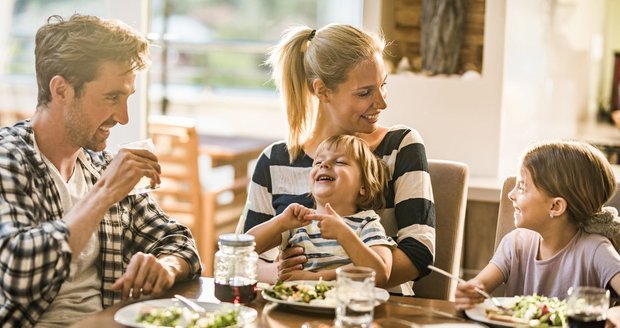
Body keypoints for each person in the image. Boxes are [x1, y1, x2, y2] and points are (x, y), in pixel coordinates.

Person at [0, 14, 201, 327]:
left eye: (127, 98)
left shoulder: (102, 165)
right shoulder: (8, 160)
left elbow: (178, 241)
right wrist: (105, 192)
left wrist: (166, 267)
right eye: (111, 97)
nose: (122, 117)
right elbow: (17, 275)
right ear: (61, 90)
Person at [236, 24, 435, 294]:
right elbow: (240, 256)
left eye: (382, 86)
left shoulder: (400, 146)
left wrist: (323, 278)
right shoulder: (273, 161)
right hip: (295, 308)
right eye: (365, 93)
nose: (382, 102)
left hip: (375, 310)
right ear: (323, 91)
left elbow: (419, 253)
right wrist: (281, 273)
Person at [455, 141, 620, 309]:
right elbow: (479, 286)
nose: (511, 195)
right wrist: (469, 293)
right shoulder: (515, 244)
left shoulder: (596, 250)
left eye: (522, 187)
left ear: (555, 206)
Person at [247, 135, 396, 285]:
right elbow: (244, 250)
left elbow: (380, 274)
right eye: (318, 162)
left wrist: (343, 235)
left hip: (346, 306)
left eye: (340, 162)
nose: (324, 164)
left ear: (363, 186)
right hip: (295, 304)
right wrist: (279, 222)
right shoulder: (298, 223)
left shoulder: (367, 223)